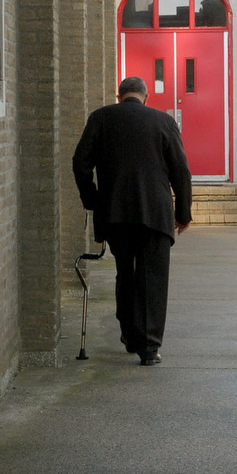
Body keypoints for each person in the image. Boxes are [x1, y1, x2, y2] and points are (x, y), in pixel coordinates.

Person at [72, 75, 193, 366]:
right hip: (154, 214)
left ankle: (129, 335)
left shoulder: (100, 118)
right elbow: (181, 171)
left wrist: (93, 200)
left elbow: (80, 162)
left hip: (115, 214)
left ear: (120, 96)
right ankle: (149, 348)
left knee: (126, 274)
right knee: (153, 278)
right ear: (145, 97)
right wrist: (183, 213)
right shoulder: (162, 122)